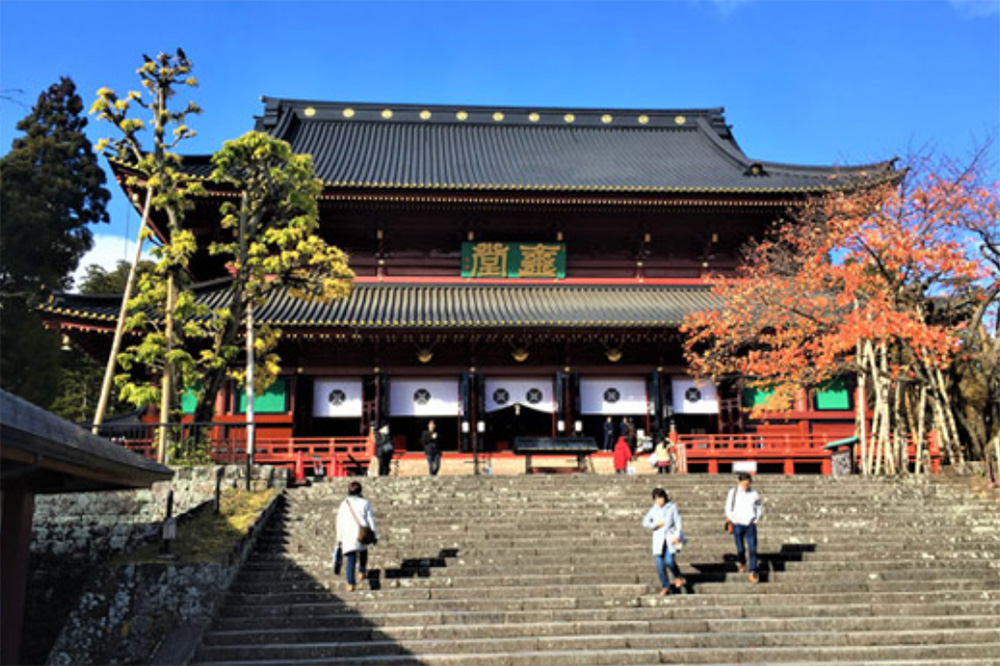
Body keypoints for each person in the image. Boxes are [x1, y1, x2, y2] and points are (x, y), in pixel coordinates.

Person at [642, 488, 686, 595]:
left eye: (660, 498)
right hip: (658, 539)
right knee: (660, 565)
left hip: (669, 538)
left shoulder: (672, 507)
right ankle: (665, 586)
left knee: (669, 561)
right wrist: (655, 524)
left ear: (664, 497)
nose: (659, 501)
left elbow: (678, 522)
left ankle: (677, 576)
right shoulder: (654, 509)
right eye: (656, 499)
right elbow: (645, 522)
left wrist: (677, 535)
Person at [335, 481, 378, 592]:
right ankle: (362, 571)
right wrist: (374, 534)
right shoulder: (365, 503)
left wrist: (339, 538)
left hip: (348, 534)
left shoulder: (344, 504)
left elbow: (339, 521)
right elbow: (370, 520)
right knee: (363, 551)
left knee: (351, 559)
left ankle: (350, 583)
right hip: (361, 532)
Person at [725, 472, 763, 584]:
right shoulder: (733, 492)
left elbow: (758, 507)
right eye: (744, 483)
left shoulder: (754, 493)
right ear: (739, 482)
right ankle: (741, 561)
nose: (746, 485)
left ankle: (752, 571)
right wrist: (731, 518)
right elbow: (728, 506)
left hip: (750, 523)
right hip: (737, 523)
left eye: (748, 483)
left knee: (752, 549)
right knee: (740, 548)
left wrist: (756, 519)